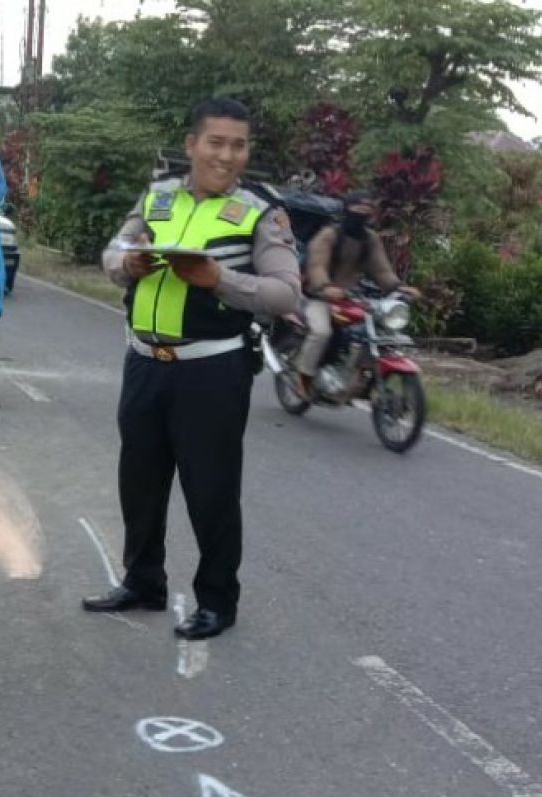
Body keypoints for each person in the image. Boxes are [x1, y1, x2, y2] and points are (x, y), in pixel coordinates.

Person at [81, 98, 302, 640]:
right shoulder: (156, 197)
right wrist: (126, 262)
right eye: (216, 142)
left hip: (212, 371)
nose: (227, 155)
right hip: (144, 364)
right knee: (139, 482)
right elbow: (113, 251)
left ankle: (217, 601)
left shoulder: (261, 211)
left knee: (211, 491)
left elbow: (284, 291)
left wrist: (218, 279)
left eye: (239, 145)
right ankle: (143, 582)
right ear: (192, 145)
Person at [294, 190, 420, 399]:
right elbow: (316, 264)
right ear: (346, 209)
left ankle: (356, 377)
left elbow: (381, 270)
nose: (362, 213)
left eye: (367, 210)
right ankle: (303, 379)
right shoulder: (329, 235)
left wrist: (399, 287)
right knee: (322, 332)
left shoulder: (370, 239)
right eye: (357, 209)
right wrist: (325, 286)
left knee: (374, 334)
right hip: (318, 297)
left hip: (350, 298)